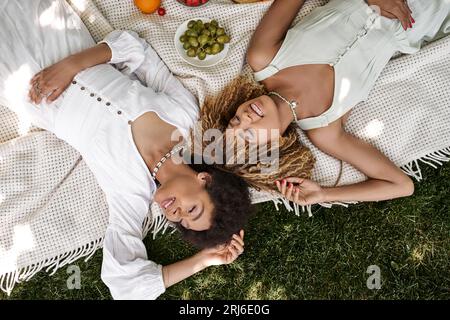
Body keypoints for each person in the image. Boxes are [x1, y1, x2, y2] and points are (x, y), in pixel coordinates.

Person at [0, 0, 253, 299]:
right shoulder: (183, 115)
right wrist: (72, 64)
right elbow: (136, 49)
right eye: (192, 209)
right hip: (62, 38)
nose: (175, 213)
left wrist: (203, 260)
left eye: (182, 222)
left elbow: (124, 286)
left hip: (25, 81)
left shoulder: (130, 197)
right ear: (205, 180)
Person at [201, 0, 450, 205]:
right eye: (246, 134)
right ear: (272, 146)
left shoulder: (264, 56)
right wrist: (323, 194)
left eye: (234, 119)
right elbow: (400, 185)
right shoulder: (325, 130)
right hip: (426, 14)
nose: (244, 117)